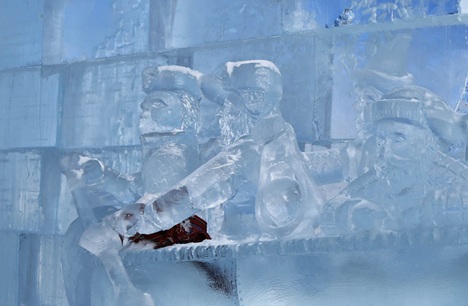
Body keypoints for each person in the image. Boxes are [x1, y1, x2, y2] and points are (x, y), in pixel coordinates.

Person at [107, 60, 323, 241]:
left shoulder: (253, 149)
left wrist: (148, 217)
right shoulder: (280, 145)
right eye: (226, 104)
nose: (225, 113)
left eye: (233, 102)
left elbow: (197, 190)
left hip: (259, 261)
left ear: (258, 100)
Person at [324, 90, 468, 233]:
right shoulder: (375, 182)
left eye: (398, 139)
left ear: (426, 143)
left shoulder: (454, 176)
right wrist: (353, 213)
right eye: (380, 141)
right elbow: (329, 212)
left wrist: (429, 212)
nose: (385, 153)